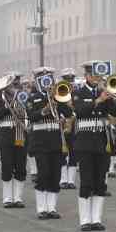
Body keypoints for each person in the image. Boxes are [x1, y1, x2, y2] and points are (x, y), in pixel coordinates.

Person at [72, 61, 116, 231]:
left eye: (98, 75)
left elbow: (115, 113)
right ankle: (85, 220)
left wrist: (109, 97)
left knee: (100, 182)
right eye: (92, 75)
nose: (95, 78)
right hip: (84, 142)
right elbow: (80, 111)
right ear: (86, 76)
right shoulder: (78, 93)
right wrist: (98, 100)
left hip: (102, 142)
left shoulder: (103, 92)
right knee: (86, 181)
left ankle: (96, 219)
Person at [26, 67, 73, 220]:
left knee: (55, 175)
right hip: (40, 141)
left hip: (55, 140)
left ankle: (51, 208)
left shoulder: (58, 96)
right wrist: (44, 111)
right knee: (43, 173)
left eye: (49, 78)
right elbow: (31, 117)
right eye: (43, 78)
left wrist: (60, 101)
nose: (47, 81)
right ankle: (41, 208)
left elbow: (69, 114)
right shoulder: (33, 98)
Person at [0, 74, 28, 209]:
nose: (11, 87)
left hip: (20, 133)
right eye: (9, 85)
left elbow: (27, 113)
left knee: (20, 165)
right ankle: (8, 198)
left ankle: (18, 198)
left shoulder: (21, 96)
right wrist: (8, 107)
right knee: (7, 165)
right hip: (6, 133)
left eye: (13, 85)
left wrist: (20, 105)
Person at [59, 68, 78, 190]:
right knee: (62, 153)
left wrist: (73, 117)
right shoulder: (58, 93)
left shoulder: (77, 93)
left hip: (75, 124)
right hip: (62, 125)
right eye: (67, 79)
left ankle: (71, 180)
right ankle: (63, 179)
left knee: (74, 153)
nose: (70, 82)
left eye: (71, 79)